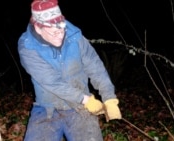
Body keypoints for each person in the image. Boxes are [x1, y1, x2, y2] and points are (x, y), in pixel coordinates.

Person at [17, 0, 122, 140]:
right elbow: (52, 82)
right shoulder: (27, 47)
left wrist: (109, 97)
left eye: (62, 30)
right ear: (38, 28)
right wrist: (86, 100)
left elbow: (94, 65)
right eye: (54, 33)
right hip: (47, 107)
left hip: (80, 108)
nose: (60, 36)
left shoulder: (75, 37)